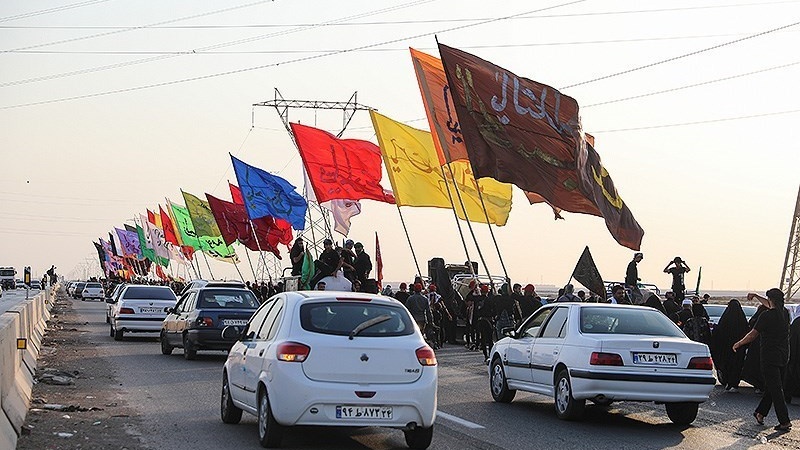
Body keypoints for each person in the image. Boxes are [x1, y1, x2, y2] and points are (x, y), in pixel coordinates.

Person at [733, 289, 792, 431]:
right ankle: (760, 413)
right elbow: (771, 305)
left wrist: (739, 343)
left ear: (770, 300)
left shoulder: (766, 316)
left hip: (769, 357)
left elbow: (753, 334)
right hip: (783, 356)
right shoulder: (785, 313)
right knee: (773, 387)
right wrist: (757, 296)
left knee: (776, 389)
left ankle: (784, 421)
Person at [710, 299, 748, 392]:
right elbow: (747, 332)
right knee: (737, 365)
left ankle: (727, 382)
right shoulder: (742, 320)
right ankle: (734, 383)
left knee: (728, 364)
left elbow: (719, 332)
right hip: (739, 348)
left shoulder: (725, 319)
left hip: (726, 348)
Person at [784, 306, 800, 403]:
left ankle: (787, 395)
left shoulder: (796, 323)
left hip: (794, 354)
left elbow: (792, 339)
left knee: (790, 372)